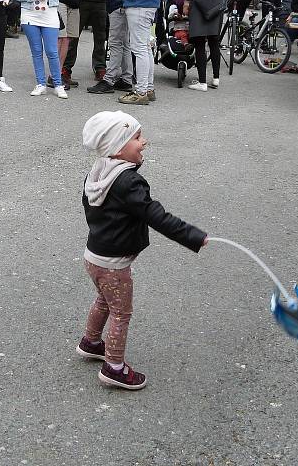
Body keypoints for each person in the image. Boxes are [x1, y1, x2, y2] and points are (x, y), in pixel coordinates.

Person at [77, 110, 208, 390]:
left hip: (94, 256)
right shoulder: (129, 182)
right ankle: (114, 367)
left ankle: (91, 341)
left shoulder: (98, 172)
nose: (144, 142)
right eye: (137, 137)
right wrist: (194, 237)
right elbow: (155, 215)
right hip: (113, 264)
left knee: (104, 300)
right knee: (121, 312)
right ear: (118, 147)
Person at [14, 0, 68, 98]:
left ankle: (58, 85)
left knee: (52, 51)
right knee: (37, 51)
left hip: (49, 13)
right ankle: (40, 84)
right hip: (30, 14)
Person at [179, 0, 223, 92]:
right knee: (214, 42)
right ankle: (216, 79)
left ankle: (202, 82)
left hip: (199, 7)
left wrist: (181, 9)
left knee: (199, 44)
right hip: (216, 5)